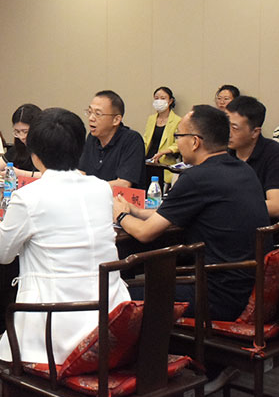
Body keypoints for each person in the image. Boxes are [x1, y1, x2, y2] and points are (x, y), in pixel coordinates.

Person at [0, 108, 129, 397]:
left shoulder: (29, 197)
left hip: (57, 331)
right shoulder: (101, 188)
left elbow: (0, 254)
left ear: (35, 154)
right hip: (112, 323)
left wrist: (4, 231)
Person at [113, 105, 270, 321]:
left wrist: (121, 215)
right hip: (247, 285)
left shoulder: (197, 178)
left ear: (195, 142)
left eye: (178, 136)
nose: (177, 143)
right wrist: (135, 210)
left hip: (216, 294)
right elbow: (170, 214)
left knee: (116, 295)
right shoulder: (242, 169)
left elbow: (145, 233)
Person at [227, 96, 279, 219]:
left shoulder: (275, 154)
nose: (228, 133)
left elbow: (277, 207)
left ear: (255, 132)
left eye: (234, 128)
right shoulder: (224, 152)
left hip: (265, 227)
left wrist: (228, 207)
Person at [78, 90, 145, 188]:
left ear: (116, 120)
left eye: (98, 113)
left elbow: (124, 184)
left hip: (119, 197)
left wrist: (90, 188)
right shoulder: (92, 138)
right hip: (94, 195)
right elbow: (81, 172)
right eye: (89, 112)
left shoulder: (132, 140)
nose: (91, 118)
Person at [0, 103, 42, 179]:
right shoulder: (19, 147)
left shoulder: (49, 147)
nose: (22, 137)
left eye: (25, 132)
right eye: (17, 132)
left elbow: (53, 176)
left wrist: (21, 173)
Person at [142, 86, 181, 184]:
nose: (159, 101)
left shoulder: (177, 120)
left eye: (163, 98)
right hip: (148, 161)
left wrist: (164, 152)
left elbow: (178, 144)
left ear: (170, 101)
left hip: (164, 164)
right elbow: (146, 139)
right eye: (156, 98)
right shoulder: (151, 119)